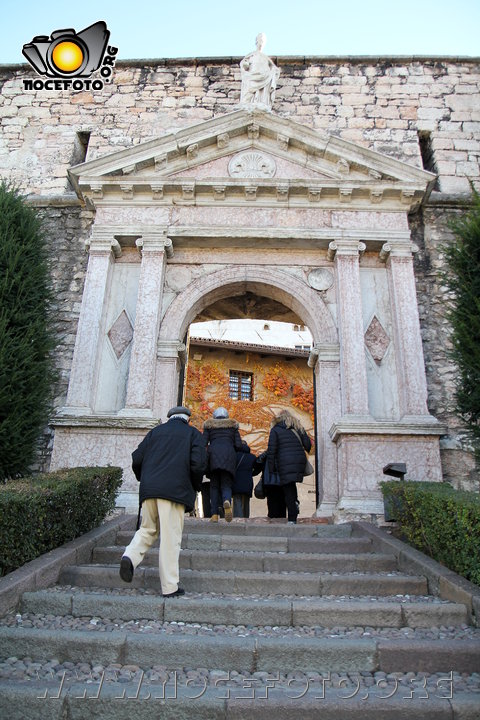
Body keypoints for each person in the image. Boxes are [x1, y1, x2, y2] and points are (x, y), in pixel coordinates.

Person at [119, 406, 207, 597]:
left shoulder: (155, 432)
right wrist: (194, 486)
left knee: (147, 529)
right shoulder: (193, 434)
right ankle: (170, 587)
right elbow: (198, 464)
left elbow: (136, 458)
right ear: (187, 419)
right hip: (174, 491)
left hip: (149, 490)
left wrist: (146, 478)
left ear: (170, 417)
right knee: (170, 537)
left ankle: (129, 556)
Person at [266, 410, 311, 524]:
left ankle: (292, 517)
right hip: (299, 460)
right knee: (291, 485)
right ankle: (294, 504)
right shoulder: (298, 427)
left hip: (284, 460)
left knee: (287, 487)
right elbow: (308, 446)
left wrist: (271, 469)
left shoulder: (275, 429)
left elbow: (272, 450)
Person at [203, 407, 243, 522]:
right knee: (226, 484)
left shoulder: (209, 427)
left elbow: (203, 443)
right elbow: (239, 445)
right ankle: (227, 501)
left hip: (213, 457)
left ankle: (214, 514)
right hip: (228, 456)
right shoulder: (232, 427)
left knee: (214, 486)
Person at [240, 32, 280, 110]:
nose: (261, 42)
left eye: (263, 40)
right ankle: (248, 105)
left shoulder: (265, 58)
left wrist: (273, 72)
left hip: (264, 76)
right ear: (256, 41)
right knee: (249, 93)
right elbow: (243, 64)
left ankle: (262, 104)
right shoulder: (251, 55)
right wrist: (245, 65)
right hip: (252, 76)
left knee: (262, 95)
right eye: (260, 39)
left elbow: (274, 69)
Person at [232, 441, 257, 518]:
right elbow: (257, 468)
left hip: (236, 481)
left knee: (237, 501)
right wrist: (251, 474)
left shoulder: (233, 456)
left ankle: (238, 520)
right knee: (246, 502)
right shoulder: (252, 457)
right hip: (247, 482)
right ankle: (246, 519)